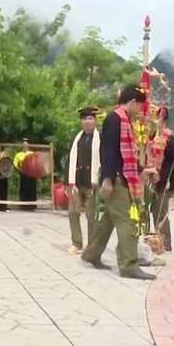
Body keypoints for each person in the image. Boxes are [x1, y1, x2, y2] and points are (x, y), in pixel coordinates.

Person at [81, 83, 158, 280]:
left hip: (120, 176)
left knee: (108, 220)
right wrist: (108, 178)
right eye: (140, 106)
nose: (140, 111)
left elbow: (127, 156)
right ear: (132, 102)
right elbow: (108, 151)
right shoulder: (115, 120)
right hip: (115, 179)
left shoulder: (125, 121)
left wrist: (144, 170)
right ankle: (128, 265)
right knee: (128, 222)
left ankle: (92, 253)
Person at [66, 108, 101, 254]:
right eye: (85, 119)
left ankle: (92, 245)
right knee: (73, 212)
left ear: (95, 121)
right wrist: (67, 182)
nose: (87, 121)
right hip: (77, 181)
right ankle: (77, 243)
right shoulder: (77, 139)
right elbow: (70, 161)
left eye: (90, 118)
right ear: (81, 121)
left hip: (92, 182)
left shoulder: (100, 139)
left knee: (91, 215)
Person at [147, 106, 174, 253]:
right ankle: (151, 240)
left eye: (159, 118)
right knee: (147, 210)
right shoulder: (150, 137)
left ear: (164, 120)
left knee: (160, 211)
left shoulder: (170, 140)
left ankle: (165, 243)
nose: (157, 121)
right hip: (147, 180)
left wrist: (165, 176)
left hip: (162, 181)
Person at [14, 138, 37, 211]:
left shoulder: (32, 153)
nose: (25, 147)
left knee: (32, 189)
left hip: (31, 173)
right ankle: (23, 205)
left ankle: (32, 206)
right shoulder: (18, 154)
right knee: (24, 189)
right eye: (23, 145)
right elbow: (15, 164)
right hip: (23, 173)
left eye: (26, 145)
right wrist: (20, 170)